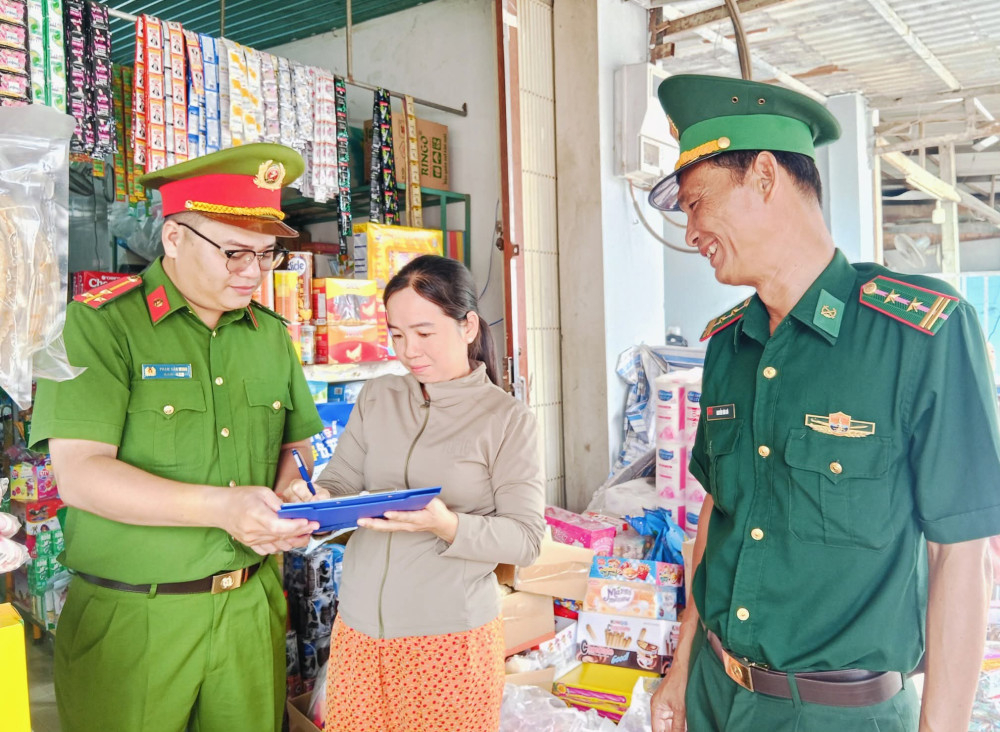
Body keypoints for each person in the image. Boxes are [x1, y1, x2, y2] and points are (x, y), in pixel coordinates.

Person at [646, 75, 1000, 732]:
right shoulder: (730, 344)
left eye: (697, 202)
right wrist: (680, 668)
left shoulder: (920, 334)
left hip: (841, 715)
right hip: (714, 693)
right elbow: (717, 518)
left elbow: (966, 555)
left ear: (763, 176)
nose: (690, 229)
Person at [29, 143, 326, 732]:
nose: (253, 272)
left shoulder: (269, 335)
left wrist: (291, 494)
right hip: (137, 616)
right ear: (174, 239)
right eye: (234, 252)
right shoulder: (99, 324)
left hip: (248, 610)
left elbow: (297, 444)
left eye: (268, 254)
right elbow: (81, 474)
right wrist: (224, 507)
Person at [285, 254, 546, 732]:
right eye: (398, 334)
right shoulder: (379, 397)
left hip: (448, 638)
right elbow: (341, 479)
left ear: (467, 327)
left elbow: (526, 539)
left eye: (425, 333)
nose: (409, 350)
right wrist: (312, 496)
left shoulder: (506, 420)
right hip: (359, 632)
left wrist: (446, 525)